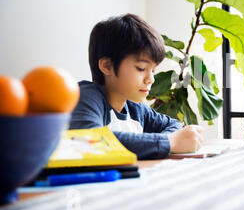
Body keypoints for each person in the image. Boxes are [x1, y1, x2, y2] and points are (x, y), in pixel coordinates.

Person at [69, 13, 203, 159]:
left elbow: (174, 124)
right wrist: (170, 142)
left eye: (153, 70)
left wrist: (165, 141)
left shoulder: (135, 108)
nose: (150, 79)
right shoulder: (87, 96)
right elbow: (90, 140)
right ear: (107, 66)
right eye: (141, 68)